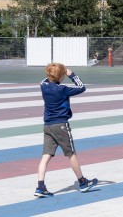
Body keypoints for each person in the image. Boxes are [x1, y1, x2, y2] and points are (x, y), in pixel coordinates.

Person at [35, 62, 97, 197]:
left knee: (45, 156)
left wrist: (55, 72)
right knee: (71, 154)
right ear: (61, 77)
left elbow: (45, 79)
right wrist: (71, 75)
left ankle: (40, 186)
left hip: (48, 125)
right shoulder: (62, 89)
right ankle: (82, 182)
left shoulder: (43, 86)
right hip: (61, 125)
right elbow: (81, 87)